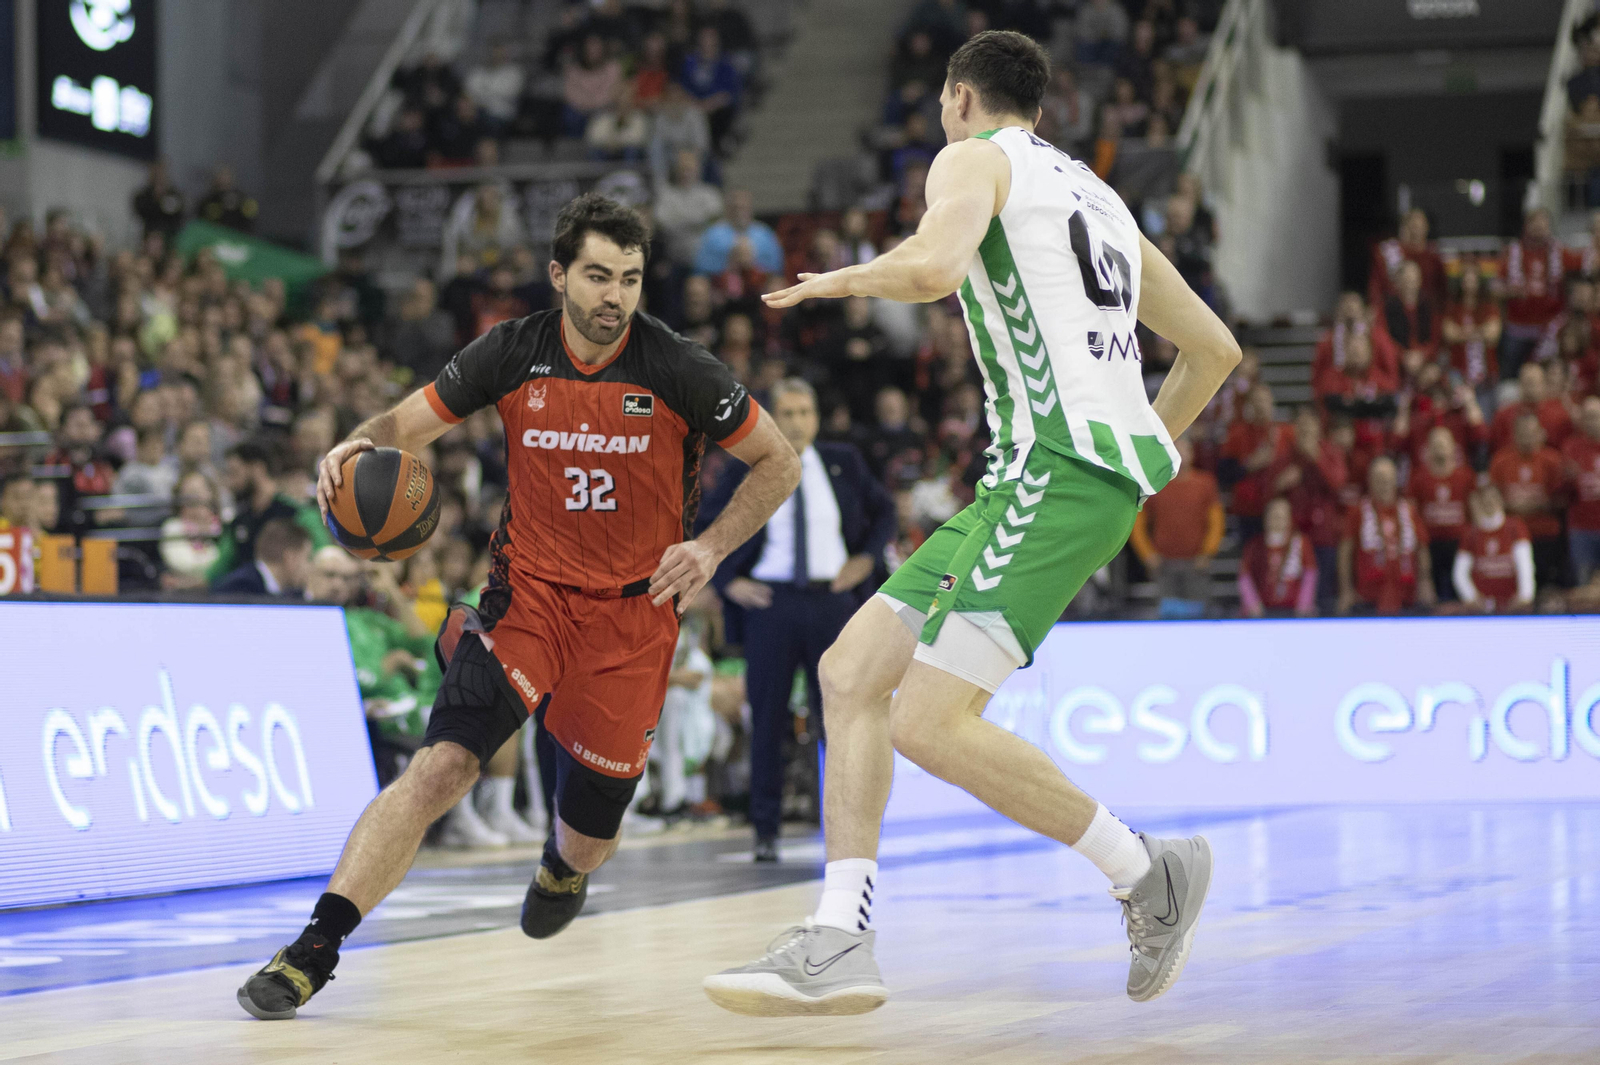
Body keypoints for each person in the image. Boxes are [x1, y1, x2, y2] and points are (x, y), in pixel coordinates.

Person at [706, 31, 1241, 1014]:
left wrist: (843, 278)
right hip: (1043, 479)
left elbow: (936, 269)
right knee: (851, 671)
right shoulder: (1102, 199)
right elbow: (1212, 348)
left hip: (1053, 472)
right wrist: (1142, 456)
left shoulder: (972, 158)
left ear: (959, 98)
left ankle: (1144, 870)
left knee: (928, 721)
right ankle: (840, 931)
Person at [237, 193, 799, 1020]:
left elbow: (776, 461)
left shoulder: (678, 365)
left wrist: (709, 547)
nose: (615, 295)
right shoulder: (512, 351)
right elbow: (406, 421)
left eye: (632, 279)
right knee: (441, 767)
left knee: (591, 837)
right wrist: (356, 442)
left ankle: (562, 866)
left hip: (632, 622)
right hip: (525, 601)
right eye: (599, 276)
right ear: (559, 275)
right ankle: (313, 947)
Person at [701, 378, 896, 861]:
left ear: (816, 416)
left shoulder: (842, 462)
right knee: (767, 718)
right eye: (786, 413)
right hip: (772, 605)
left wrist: (866, 560)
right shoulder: (749, 467)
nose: (797, 422)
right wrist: (727, 581)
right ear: (771, 418)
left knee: (842, 718)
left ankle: (847, 831)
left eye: (805, 412)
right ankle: (765, 831)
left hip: (832, 601)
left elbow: (885, 511)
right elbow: (706, 522)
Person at [1129, 436, 1223, 618]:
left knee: (1198, 614)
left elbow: (1216, 523)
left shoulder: (1205, 483)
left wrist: (1208, 553)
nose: (1181, 454)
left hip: (1196, 563)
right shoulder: (1156, 483)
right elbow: (1138, 522)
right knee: (1166, 615)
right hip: (1163, 564)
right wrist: (1147, 554)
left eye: (1184, 449)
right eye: (1176, 449)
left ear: (1192, 453)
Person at [1337, 455, 1434, 616]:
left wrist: (1425, 582)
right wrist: (1346, 590)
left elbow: (1422, 548)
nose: (1384, 484)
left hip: (1406, 594)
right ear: (1370, 481)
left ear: (1396, 480)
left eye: (1388, 479)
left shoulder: (1409, 510)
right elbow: (1345, 552)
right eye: (1379, 479)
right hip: (1368, 596)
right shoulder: (1357, 511)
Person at [1489, 411, 1568, 589]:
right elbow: (1492, 498)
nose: (1526, 437)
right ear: (1513, 434)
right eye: (1522, 432)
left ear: (1540, 433)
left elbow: (1562, 500)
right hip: (1511, 537)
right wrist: (1511, 506)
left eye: (1530, 432)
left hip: (1546, 534)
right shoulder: (1500, 461)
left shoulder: (1553, 459)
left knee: (1548, 586)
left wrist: (1536, 505)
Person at [1408, 425, 1475, 603]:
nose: (1440, 448)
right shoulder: (1418, 478)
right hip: (1430, 545)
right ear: (1428, 448)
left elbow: (1473, 511)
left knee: (1460, 593)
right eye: (1436, 444)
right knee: (1431, 596)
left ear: (1453, 447)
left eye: (1444, 444)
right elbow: (1412, 514)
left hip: (1459, 545)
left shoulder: (1465, 476)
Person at [1453, 484, 1534, 612]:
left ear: (1501, 500)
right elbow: (1460, 573)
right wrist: (1471, 598)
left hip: (1512, 604)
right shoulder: (1471, 533)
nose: (1489, 503)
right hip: (1481, 607)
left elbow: (1525, 565)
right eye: (1485, 499)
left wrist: (1524, 596)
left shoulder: (1515, 527)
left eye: (1493, 498)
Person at [1237, 496, 1317, 618]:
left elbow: (1310, 574)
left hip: (1294, 612)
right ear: (1266, 518)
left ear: (1289, 518)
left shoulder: (1300, 542)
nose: (1277, 520)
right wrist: (1252, 604)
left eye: (1282, 516)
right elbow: (1244, 576)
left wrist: (1304, 605)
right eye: (1273, 515)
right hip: (1263, 611)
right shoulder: (1255, 545)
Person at [212, 518, 313, 596]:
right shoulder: (240, 588)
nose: (309, 566)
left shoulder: (289, 593)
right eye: (307, 558)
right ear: (290, 558)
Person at [1563, 394, 1600, 585]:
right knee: (1584, 584)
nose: (1590, 421)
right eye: (1586, 416)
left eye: (1594, 416)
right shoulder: (1572, 447)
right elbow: (1563, 492)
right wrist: (1568, 479)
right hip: (1581, 528)